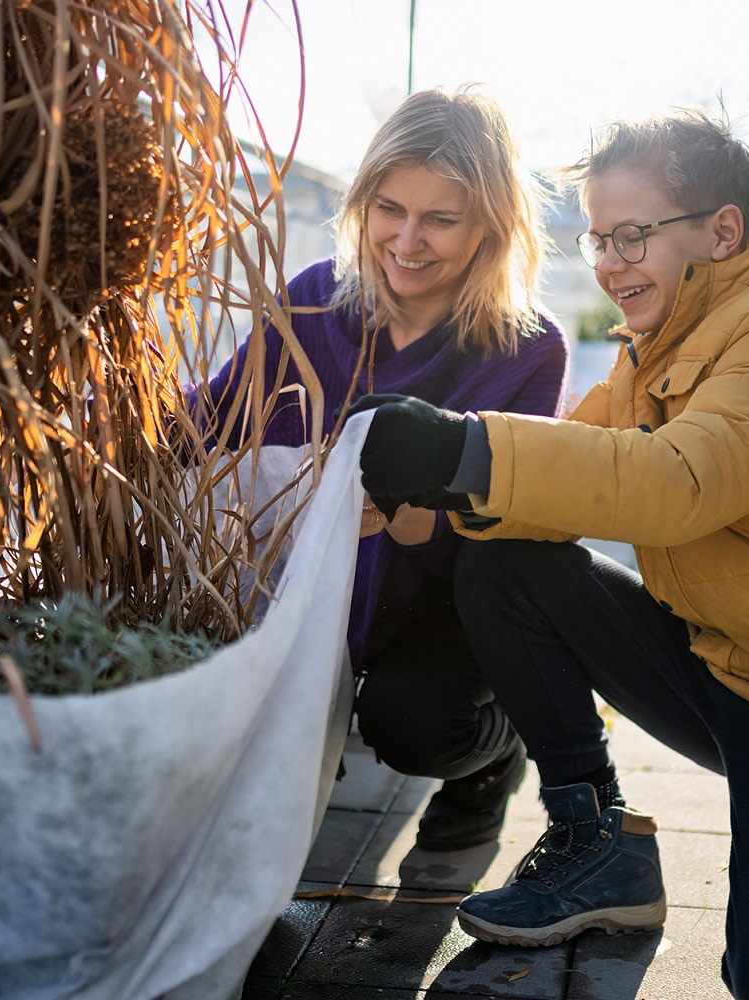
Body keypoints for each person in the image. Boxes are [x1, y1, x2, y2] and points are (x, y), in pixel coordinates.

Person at [351, 109, 749, 999]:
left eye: (632, 236)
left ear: (722, 230)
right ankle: (595, 844)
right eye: (599, 238)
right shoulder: (652, 353)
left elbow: (675, 484)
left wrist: (460, 449)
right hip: (722, 668)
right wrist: (430, 494)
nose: (607, 262)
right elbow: (553, 484)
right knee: (506, 563)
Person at [194, 88, 567, 852]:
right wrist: (98, 414)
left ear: (490, 227)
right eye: (389, 207)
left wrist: (402, 510)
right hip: (306, 593)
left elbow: (503, 541)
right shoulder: (310, 304)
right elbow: (211, 418)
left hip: (439, 606)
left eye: (440, 218)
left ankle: (496, 757)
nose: (406, 239)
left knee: (417, 728)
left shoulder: (528, 349)